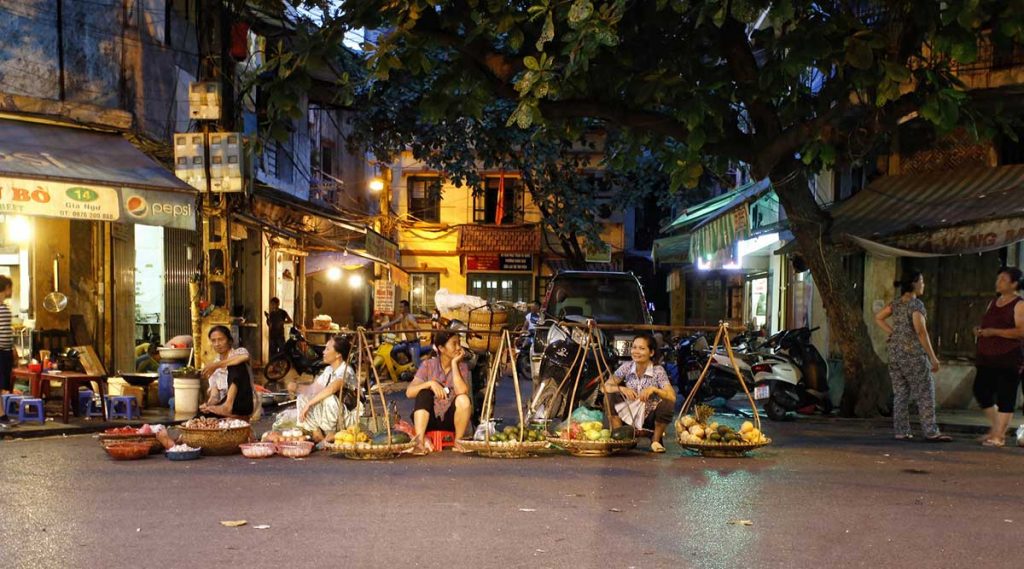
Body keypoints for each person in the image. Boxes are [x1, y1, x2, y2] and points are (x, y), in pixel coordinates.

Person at [873, 270, 951, 442]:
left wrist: (893, 333)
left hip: (895, 354)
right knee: (925, 391)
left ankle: (901, 431)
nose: (923, 284)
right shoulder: (916, 305)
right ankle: (931, 431)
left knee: (901, 393)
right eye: (921, 281)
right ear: (914, 284)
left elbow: (878, 318)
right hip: (912, 354)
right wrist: (933, 357)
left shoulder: (896, 304)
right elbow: (921, 332)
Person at [973, 267, 1024, 447]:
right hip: (987, 356)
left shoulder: (1019, 304)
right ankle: (996, 430)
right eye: (998, 279)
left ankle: (998, 436)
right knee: (981, 390)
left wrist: (994, 332)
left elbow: (1021, 331)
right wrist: (980, 331)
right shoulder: (993, 302)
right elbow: (987, 324)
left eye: (1003, 279)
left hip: (1008, 356)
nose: (998, 282)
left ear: (1014, 284)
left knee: (1005, 396)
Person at [603, 332, 676, 453]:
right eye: (634, 347)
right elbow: (605, 387)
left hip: (649, 418)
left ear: (651, 352)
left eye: (642, 348)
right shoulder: (626, 367)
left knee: (667, 403)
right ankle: (621, 437)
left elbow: (672, 396)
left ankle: (655, 440)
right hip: (628, 416)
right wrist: (622, 389)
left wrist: (654, 390)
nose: (636, 351)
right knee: (610, 396)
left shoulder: (658, 370)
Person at [405, 331, 472, 454]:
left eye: (459, 344)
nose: (458, 347)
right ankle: (419, 443)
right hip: (429, 420)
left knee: (463, 399)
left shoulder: (462, 366)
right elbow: (409, 392)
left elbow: (462, 391)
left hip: (450, 420)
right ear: (441, 348)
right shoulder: (428, 365)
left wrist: (454, 364)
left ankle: (458, 441)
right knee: (423, 393)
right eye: (454, 344)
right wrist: (430, 384)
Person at [297, 335, 358, 442]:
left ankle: (331, 434)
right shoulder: (328, 370)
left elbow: (332, 388)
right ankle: (316, 432)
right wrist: (297, 388)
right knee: (302, 397)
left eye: (327, 349)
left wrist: (309, 404)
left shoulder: (346, 370)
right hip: (329, 415)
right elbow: (314, 389)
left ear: (338, 354)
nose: (323, 352)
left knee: (329, 398)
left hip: (346, 417)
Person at [199, 326, 255, 419]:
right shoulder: (214, 366)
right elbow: (215, 396)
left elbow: (245, 357)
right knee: (200, 417)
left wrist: (217, 365)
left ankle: (228, 406)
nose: (217, 344)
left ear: (229, 340)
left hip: (242, 403)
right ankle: (225, 408)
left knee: (235, 364)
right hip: (223, 405)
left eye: (221, 339)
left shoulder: (239, 352)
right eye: (213, 341)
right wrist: (208, 406)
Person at [380, 300, 427, 366]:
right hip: (407, 343)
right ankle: (399, 367)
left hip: (414, 344)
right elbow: (392, 323)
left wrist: (419, 333)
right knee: (392, 351)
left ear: (406, 308)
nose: (400, 309)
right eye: (399, 307)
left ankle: (426, 369)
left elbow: (418, 328)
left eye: (401, 307)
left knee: (416, 363)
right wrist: (380, 328)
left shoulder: (410, 317)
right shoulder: (401, 317)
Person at [0, 275, 15, 423]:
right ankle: (1, 415)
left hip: (5, 351)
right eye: (11, 287)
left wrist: (12, 348)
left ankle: (2, 414)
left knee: (2, 385)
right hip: (1, 352)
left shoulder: (4, 307)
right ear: (6, 288)